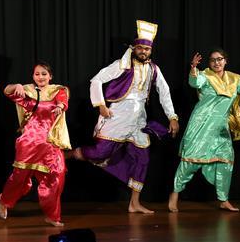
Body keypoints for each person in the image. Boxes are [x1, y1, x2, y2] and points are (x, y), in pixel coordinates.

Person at [71, 20, 180, 214]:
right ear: (134, 48)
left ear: (151, 51)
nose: (143, 52)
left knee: (143, 160)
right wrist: (101, 105)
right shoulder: (121, 65)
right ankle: (66, 155)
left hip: (138, 121)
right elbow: (96, 80)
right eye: (140, 48)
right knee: (99, 153)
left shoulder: (155, 69)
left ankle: (134, 203)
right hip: (118, 116)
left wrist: (172, 117)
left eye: (147, 49)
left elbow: (164, 92)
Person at [168, 49, 240, 212]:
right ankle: (175, 194)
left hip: (220, 128)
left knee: (226, 161)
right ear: (209, 63)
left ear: (225, 61)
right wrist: (193, 68)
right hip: (200, 124)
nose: (216, 62)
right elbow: (194, 82)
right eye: (213, 60)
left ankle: (223, 199)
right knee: (190, 160)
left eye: (220, 59)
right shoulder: (205, 75)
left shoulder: (235, 79)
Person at [0, 62, 71, 227]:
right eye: (37, 74)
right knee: (19, 177)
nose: (41, 77)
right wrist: (15, 85)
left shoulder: (58, 90)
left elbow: (63, 101)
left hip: (50, 142)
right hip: (29, 142)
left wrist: (60, 106)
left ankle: (52, 215)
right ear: (33, 76)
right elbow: (7, 92)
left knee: (57, 176)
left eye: (44, 74)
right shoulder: (28, 92)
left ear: (50, 76)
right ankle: (4, 200)